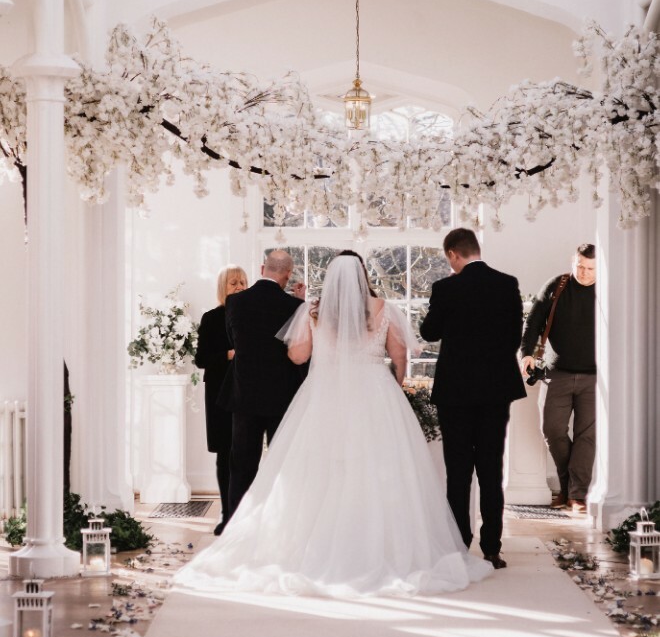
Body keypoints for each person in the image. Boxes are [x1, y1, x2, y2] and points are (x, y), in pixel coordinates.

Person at [175, 254, 494, 597]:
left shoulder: (314, 311)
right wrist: (394, 386)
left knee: (319, 469)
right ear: (362, 276)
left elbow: (297, 356)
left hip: (324, 393)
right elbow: (401, 356)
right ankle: (379, 544)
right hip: (374, 393)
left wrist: (316, 342)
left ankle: (315, 544)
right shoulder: (384, 308)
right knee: (377, 468)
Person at [419, 228, 526, 570]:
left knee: (459, 470)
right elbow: (514, 338)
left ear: (453, 254)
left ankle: (459, 544)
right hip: (496, 389)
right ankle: (492, 547)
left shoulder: (446, 288)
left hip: (457, 391)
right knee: (491, 468)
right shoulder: (507, 284)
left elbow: (428, 332)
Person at [220, 250, 306, 521]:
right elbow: (298, 351)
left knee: (242, 465)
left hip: (244, 393)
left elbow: (233, 340)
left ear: (261, 269)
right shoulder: (294, 306)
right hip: (282, 396)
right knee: (282, 465)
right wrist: (300, 305)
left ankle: (236, 523)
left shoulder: (235, 301)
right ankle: (280, 522)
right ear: (288, 274)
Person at [520, 244, 596, 514]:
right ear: (573, 261)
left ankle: (576, 495)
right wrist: (526, 354)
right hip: (556, 373)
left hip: (595, 377)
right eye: (580, 266)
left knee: (587, 437)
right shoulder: (557, 286)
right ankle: (567, 486)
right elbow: (533, 321)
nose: (584, 272)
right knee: (552, 430)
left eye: (590, 269)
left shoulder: (608, 290)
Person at [194, 265, 248, 536]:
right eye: (233, 283)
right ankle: (227, 516)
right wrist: (227, 355)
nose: (239, 287)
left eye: (242, 282)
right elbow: (201, 359)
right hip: (219, 395)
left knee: (244, 457)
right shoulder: (211, 318)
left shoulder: (251, 314)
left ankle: (244, 516)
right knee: (225, 456)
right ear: (222, 288)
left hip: (246, 394)